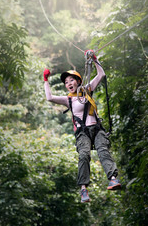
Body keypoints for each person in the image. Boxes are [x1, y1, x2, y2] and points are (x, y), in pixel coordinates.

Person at [43, 50, 121, 203]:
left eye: (71, 80)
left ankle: (113, 179)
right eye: (66, 82)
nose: (69, 84)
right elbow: (49, 97)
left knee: (103, 151)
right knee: (84, 155)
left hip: (97, 129)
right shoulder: (68, 100)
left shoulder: (87, 90)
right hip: (82, 133)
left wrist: (95, 59)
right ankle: (83, 189)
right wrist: (46, 79)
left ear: (78, 81)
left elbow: (101, 75)